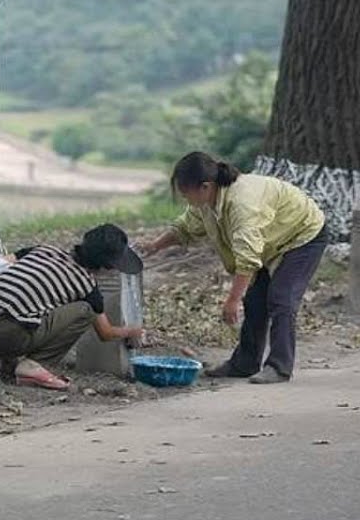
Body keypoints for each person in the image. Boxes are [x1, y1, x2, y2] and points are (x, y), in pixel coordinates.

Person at [141, 151, 329, 384]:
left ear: (205, 186)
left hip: (303, 234)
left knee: (282, 298)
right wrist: (155, 246)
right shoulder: (206, 202)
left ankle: (279, 367)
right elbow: (185, 228)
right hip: (271, 240)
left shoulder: (241, 204)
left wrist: (232, 301)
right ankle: (245, 364)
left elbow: (247, 258)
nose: (184, 198)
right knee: (255, 301)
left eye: (186, 192)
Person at [0, 223, 146, 390]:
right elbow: (106, 333)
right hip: (3, 336)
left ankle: (7, 362)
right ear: (106, 267)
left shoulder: (42, 250)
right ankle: (33, 365)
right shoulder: (87, 286)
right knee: (85, 311)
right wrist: (133, 331)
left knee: (24, 304)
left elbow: (2, 265)